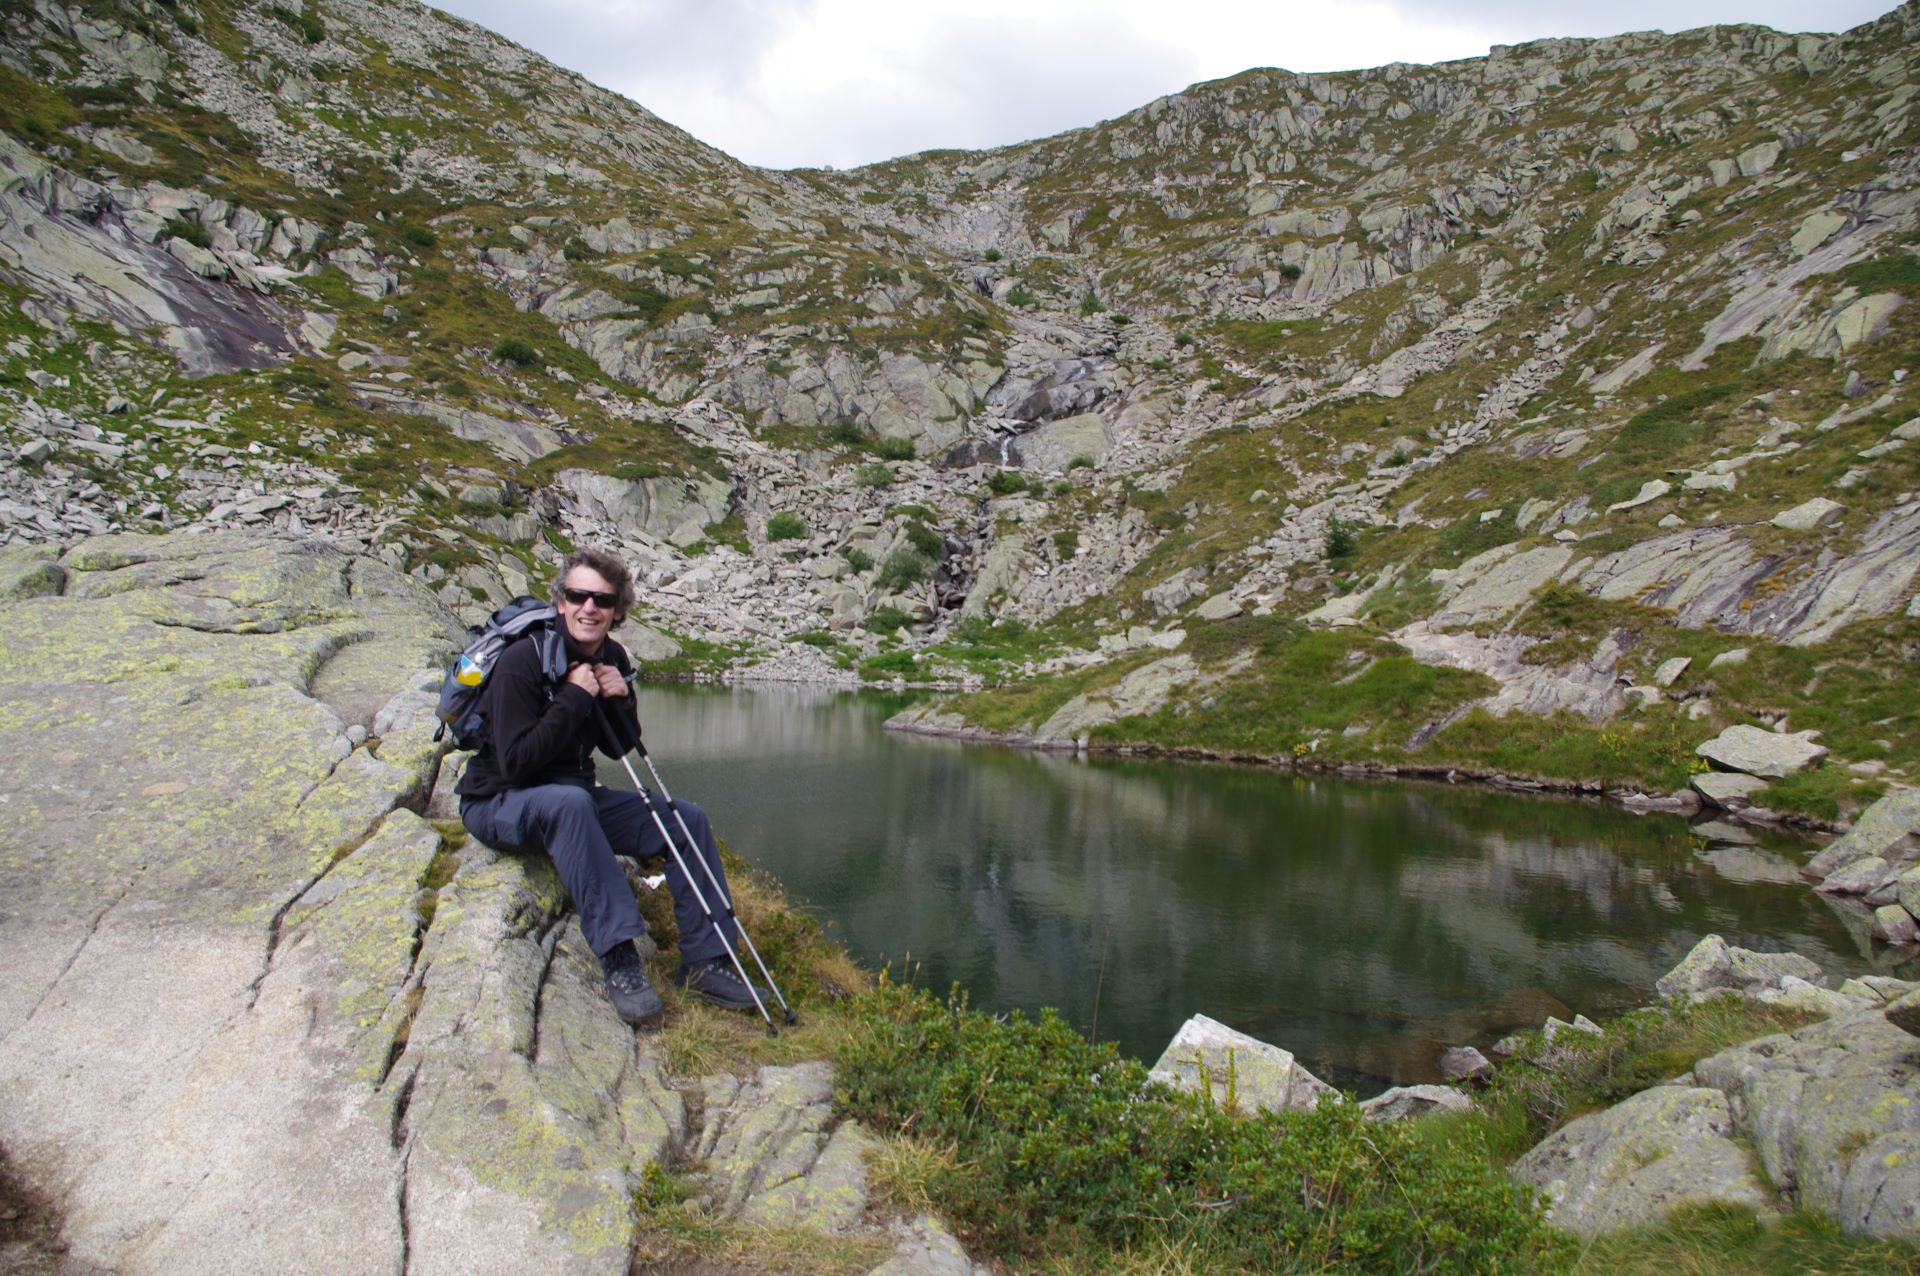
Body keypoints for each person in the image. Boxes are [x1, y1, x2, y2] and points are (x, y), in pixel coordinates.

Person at [455, 548, 764, 1027]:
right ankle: (620, 959)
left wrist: (620, 699)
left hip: (573, 801)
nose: (589, 608)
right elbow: (515, 764)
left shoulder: (613, 656)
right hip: (498, 800)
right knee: (572, 802)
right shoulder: (524, 659)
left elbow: (621, 748)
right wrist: (576, 696)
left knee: (685, 819)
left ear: (618, 611)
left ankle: (708, 961)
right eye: (578, 595)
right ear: (560, 602)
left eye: (602, 600)